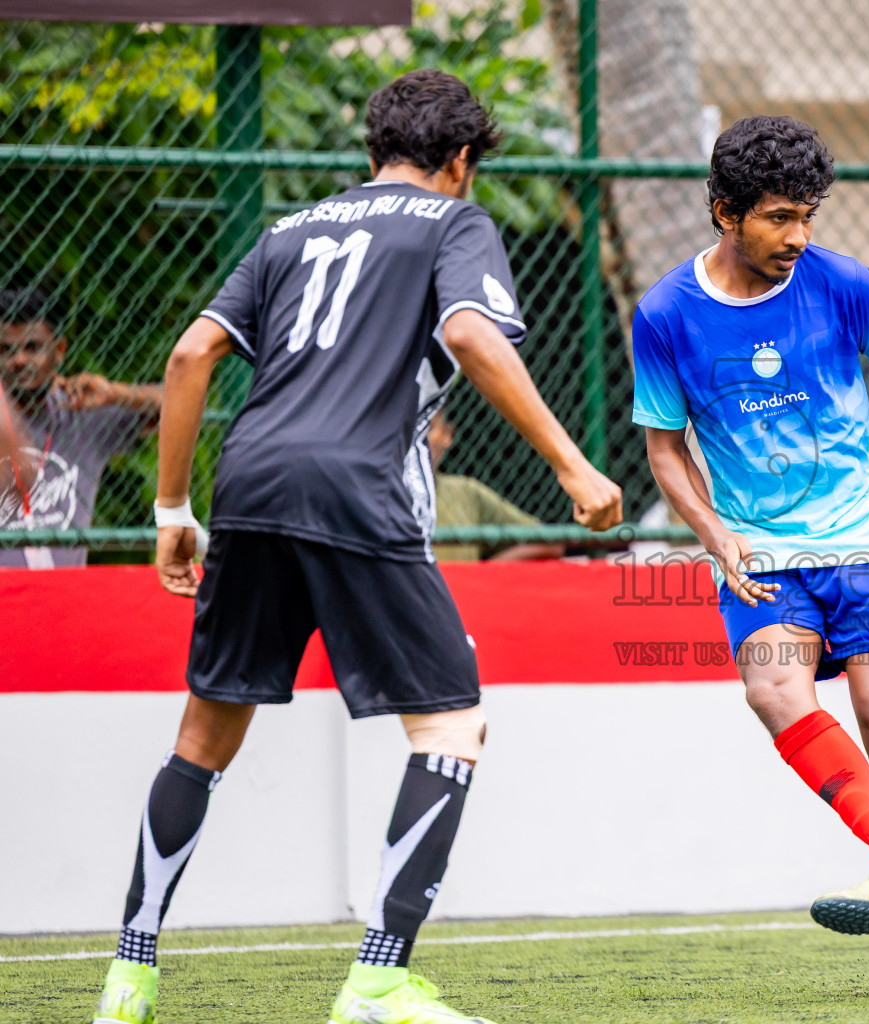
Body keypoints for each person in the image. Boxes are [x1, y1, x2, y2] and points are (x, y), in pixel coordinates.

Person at [91, 70, 622, 1024]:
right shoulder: (454, 224)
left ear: (370, 149)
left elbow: (187, 356)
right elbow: (468, 331)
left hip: (248, 483)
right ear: (460, 161)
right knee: (452, 726)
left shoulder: (287, 232)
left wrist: (172, 507)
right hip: (354, 486)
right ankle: (378, 977)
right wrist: (575, 468)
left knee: (203, 737)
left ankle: (128, 977)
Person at [632, 115, 869, 998]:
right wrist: (712, 531)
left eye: (808, 215)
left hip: (860, 542)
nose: (799, 236)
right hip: (762, 559)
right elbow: (665, 447)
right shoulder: (666, 313)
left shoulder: (845, 284)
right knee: (772, 689)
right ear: (724, 211)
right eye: (780, 217)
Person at [0, 288, 163, 568]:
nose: (19, 361)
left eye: (32, 347)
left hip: (67, 595)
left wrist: (114, 394)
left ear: (59, 350)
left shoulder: (82, 412)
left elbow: (179, 401)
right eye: (6, 350)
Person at [425, 409, 564, 562]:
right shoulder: (395, 496)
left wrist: (483, 575)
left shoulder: (465, 492)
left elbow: (549, 542)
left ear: (447, 435)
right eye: (410, 428)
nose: (417, 438)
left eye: (427, 428)